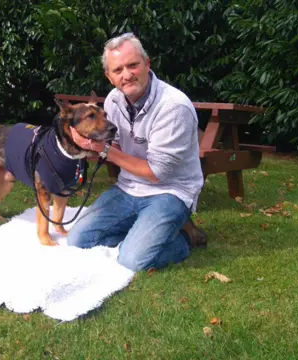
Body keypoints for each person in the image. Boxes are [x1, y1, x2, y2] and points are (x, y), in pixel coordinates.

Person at [66, 32, 207, 272]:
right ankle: (144, 234)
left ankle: (185, 237)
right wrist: (87, 142)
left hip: (169, 191)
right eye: (118, 70)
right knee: (78, 241)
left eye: (133, 65)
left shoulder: (174, 107)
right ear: (109, 77)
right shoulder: (112, 101)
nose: (127, 75)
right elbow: (117, 146)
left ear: (147, 64)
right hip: (128, 188)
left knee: (132, 261)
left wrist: (103, 149)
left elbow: (156, 174)